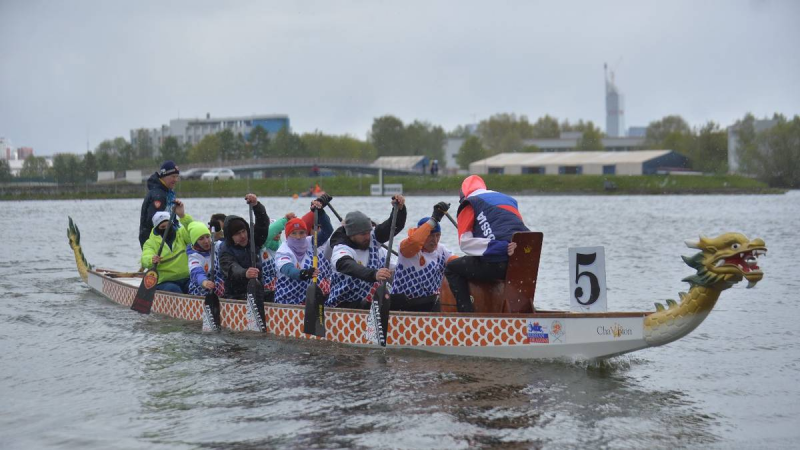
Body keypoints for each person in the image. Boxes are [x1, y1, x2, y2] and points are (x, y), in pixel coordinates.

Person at [444, 175, 529, 312]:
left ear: (463, 195)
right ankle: (518, 311)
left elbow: (466, 244)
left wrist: (502, 248)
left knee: (452, 268)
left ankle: (466, 317)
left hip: (498, 264)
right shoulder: (508, 199)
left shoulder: (469, 203)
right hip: (522, 263)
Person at [327, 195, 407, 309]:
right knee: (371, 304)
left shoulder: (371, 237)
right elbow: (349, 266)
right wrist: (374, 274)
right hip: (342, 305)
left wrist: (399, 209)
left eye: (368, 232)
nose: (367, 237)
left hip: (366, 303)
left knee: (401, 300)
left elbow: (393, 226)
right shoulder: (341, 249)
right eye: (363, 234)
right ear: (351, 234)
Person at [391, 202, 455, 312]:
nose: (434, 241)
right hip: (403, 306)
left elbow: (456, 264)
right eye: (430, 235)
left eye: (437, 236)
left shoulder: (442, 250)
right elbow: (416, 241)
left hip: (429, 303)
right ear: (422, 233)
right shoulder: (406, 247)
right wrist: (434, 219)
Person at [273, 200, 334, 304]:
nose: (298, 237)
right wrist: (305, 273)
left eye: (302, 233)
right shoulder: (283, 251)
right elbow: (289, 271)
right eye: (294, 233)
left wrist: (320, 213)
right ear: (287, 236)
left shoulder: (309, 241)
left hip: (306, 300)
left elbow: (328, 231)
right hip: (286, 302)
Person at [218, 194, 270, 300]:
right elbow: (232, 269)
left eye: (243, 231)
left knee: (273, 295)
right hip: (235, 295)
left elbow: (263, 224)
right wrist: (245, 273)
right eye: (237, 234)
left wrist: (256, 205)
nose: (243, 236)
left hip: (257, 290)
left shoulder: (253, 240)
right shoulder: (225, 250)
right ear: (230, 236)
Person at [140, 200, 194, 294]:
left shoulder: (181, 233)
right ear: (157, 229)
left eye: (169, 225)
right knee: (175, 290)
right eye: (162, 227)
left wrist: (182, 216)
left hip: (186, 278)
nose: (166, 229)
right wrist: (151, 259)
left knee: (195, 287)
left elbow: (193, 233)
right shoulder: (150, 243)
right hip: (165, 281)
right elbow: (145, 258)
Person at [139, 161, 180, 248]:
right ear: (164, 175)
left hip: (166, 240)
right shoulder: (158, 196)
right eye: (173, 177)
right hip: (156, 244)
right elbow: (156, 223)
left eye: (177, 177)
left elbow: (172, 219)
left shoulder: (168, 193)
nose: (176, 180)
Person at [186, 222, 222, 296]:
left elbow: (227, 244)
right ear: (195, 242)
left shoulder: (216, 246)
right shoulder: (194, 257)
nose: (206, 241)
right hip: (200, 292)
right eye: (201, 238)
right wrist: (204, 282)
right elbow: (197, 272)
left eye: (207, 237)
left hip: (218, 289)